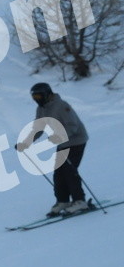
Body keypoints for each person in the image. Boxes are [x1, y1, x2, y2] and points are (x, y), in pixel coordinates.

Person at [15, 82, 91, 216]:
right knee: (58, 172)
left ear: (47, 94)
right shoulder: (41, 109)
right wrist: (26, 143)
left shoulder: (61, 105)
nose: (37, 99)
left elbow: (72, 126)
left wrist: (59, 136)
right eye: (34, 97)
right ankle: (63, 201)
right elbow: (38, 128)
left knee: (69, 170)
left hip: (76, 140)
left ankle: (80, 201)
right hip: (62, 143)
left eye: (39, 96)